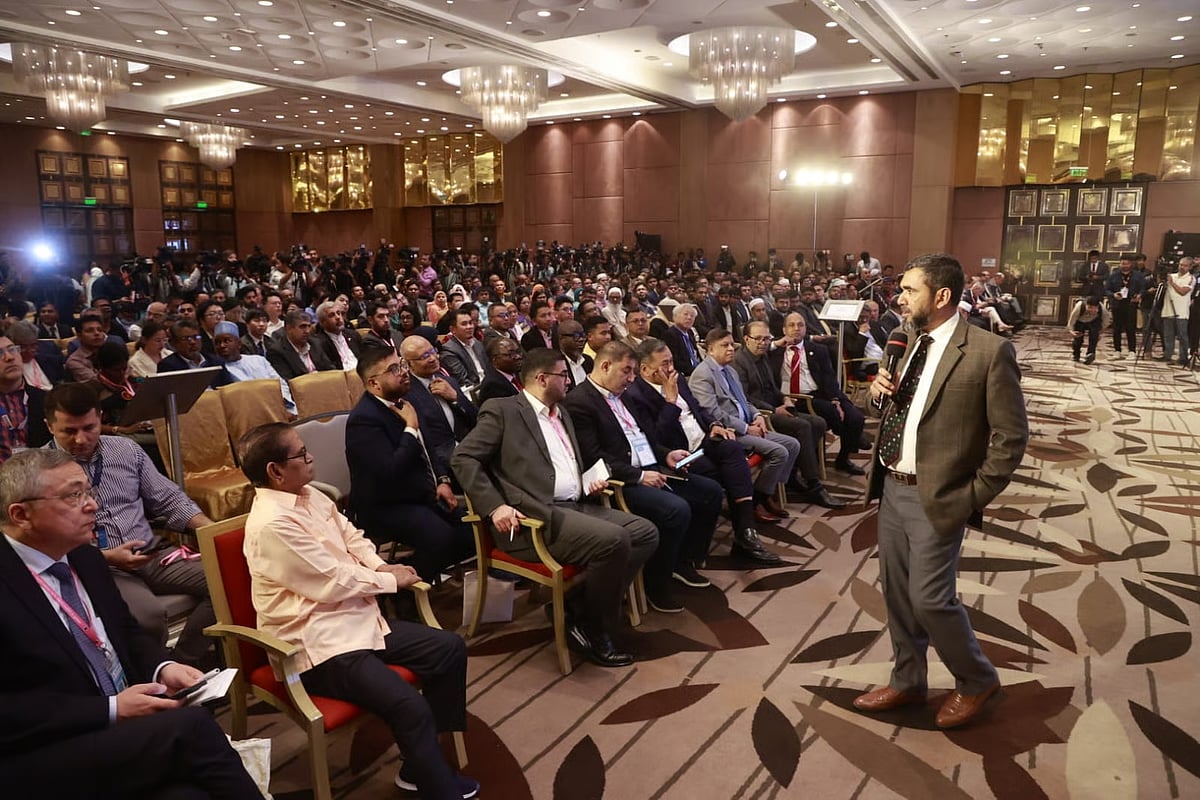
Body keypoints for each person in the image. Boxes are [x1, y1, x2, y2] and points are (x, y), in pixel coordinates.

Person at [0, 449, 261, 799]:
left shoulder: (85, 557)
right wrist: (110, 709)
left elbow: (126, 634)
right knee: (193, 729)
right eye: (73, 496)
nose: (92, 505)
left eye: (88, 492)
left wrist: (162, 668)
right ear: (21, 514)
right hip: (47, 748)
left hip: (115, 735)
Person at [238, 424, 478, 799]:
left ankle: (418, 765)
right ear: (275, 471)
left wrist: (382, 567)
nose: (311, 457)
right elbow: (332, 579)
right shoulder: (272, 524)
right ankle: (437, 788)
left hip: (355, 617)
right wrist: (390, 581)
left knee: (449, 649)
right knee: (407, 706)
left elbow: (352, 536)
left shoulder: (309, 496)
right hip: (315, 644)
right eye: (301, 454)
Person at [854, 253, 1028, 730]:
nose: (899, 297)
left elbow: (1011, 439)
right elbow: (884, 408)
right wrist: (875, 392)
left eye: (910, 290)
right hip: (891, 486)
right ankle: (908, 680)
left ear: (942, 296)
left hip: (941, 495)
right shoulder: (905, 339)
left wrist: (971, 495)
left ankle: (976, 679)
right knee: (897, 594)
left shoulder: (989, 353)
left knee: (931, 598)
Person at [452, 347, 658, 667]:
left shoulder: (561, 412)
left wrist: (588, 480)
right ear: (542, 378)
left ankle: (575, 609)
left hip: (576, 505)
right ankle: (593, 628)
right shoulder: (503, 409)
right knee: (614, 540)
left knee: (645, 532)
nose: (570, 382)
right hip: (535, 518)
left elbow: (564, 465)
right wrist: (494, 507)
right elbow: (463, 458)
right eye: (564, 376)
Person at [42, 383, 217, 667]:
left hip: (149, 552)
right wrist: (105, 557)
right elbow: (44, 541)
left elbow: (168, 499)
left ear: (100, 417)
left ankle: (183, 665)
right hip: (98, 565)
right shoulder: (41, 472)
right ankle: (155, 674)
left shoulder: (125, 450)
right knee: (146, 616)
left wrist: (210, 531)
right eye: (69, 431)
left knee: (230, 580)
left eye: (89, 427)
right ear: (49, 426)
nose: (81, 439)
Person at [563, 341, 723, 614]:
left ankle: (681, 561)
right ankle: (655, 584)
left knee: (710, 491)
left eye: (634, 371)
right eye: (627, 371)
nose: (632, 378)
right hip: (620, 481)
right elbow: (594, 458)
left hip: (651, 467)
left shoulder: (624, 395)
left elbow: (645, 437)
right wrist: (639, 475)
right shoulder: (580, 402)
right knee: (676, 509)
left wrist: (666, 454)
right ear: (605, 366)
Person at [626, 338, 782, 566]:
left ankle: (746, 530)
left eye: (671, 361)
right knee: (722, 474)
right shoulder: (635, 396)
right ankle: (737, 537)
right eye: (664, 364)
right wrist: (670, 401)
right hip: (679, 452)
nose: (671, 368)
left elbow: (697, 410)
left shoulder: (677, 379)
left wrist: (713, 425)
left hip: (703, 439)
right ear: (645, 369)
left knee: (732, 448)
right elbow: (656, 437)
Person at [346, 348, 474, 581]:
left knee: (473, 533)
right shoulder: (364, 420)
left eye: (402, 365)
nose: (404, 373)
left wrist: (442, 480)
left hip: (421, 493)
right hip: (385, 505)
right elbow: (390, 472)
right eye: (394, 370)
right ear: (374, 383)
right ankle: (398, 586)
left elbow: (430, 449)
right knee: (441, 538)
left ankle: (413, 571)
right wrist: (410, 429)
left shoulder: (404, 402)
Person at [688, 328, 799, 523]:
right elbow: (713, 413)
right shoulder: (702, 375)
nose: (731, 349)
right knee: (779, 451)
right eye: (725, 345)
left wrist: (757, 415)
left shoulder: (729, 370)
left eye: (732, 344)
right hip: (730, 433)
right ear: (710, 350)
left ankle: (767, 494)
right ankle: (756, 501)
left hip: (749, 425)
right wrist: (746, 428)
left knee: (793, 444)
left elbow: (743, 401)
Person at [772, 312, 867, 476]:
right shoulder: (775, 352)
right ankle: (851, 436)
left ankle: (843, 459)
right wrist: (775, 344)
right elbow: (756, 348)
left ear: (805, 328)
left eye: (800, 325)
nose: (796, 329)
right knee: (829, 411)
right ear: (784, 329)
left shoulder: (818, 350)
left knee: (855, 417)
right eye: (791, 325)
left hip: (822, 392)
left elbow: (828, 377)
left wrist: (836, 399)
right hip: (797, 398)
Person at [399, 336, 478, 479]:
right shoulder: (406, 394)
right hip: (442, 463)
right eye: (424, 356)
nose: (432, 358)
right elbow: (420, 442)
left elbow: (475, 418)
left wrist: (456, 397)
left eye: (432, 351)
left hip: (470, 448)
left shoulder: (449, 381)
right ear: (408, 364)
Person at [212, 322, 296, 414]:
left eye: (227, 341)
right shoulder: (219, 372)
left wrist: (284, 406)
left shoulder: (258, 360)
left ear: (239, 344)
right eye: (217, 343)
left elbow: (280, 384)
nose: (222, 346)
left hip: (280, 407)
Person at [0, 334, 50, 462]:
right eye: (0, 353)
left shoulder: (46, 399)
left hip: (41, 474)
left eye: (12, 349)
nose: (9, 357)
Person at [157, 319, 233, 389]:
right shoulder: (167, 366)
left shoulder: (216, 362)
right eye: (186, 339)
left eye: (196, 337)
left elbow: (229, 388)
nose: (193, 342)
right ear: (174, 343)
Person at [267, 309, 335, 380]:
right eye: (302, 327)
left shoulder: (315, 343)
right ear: (289, 329)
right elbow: (288, 381)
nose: (307, 331)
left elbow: (330, 369)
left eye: (309, 326)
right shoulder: (277, 351)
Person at [1105, 256, 1145, 360]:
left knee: (1130, 328)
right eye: (1122, 263)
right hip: (1117, 304)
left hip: (1131, 304)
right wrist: (1113, 295)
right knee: (1116, 329)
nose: (1124, 266)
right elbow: (1107, 289)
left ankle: (1132, 351)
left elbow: (1143, 288)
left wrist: (1140, 295)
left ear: (1131, 264)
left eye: (1126, 263)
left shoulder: (1138, 275)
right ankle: (1117, 350)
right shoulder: (1114, 275)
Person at [439, 308, 488, 392]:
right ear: (453, 329)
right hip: (474, 391)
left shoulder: (477, 343)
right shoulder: (448, 351)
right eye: (464, 324)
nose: (469, 327)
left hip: (488, 384)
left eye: (470, 323)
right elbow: (464, 381)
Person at [310, 299, 362, 372]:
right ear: (322, 323)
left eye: (338, 313)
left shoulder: (353, 335)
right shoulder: (318, 343)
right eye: (331, 315)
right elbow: (328, 369)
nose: (338, 317)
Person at [1161, 257, 1195, 367]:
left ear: (1190, 267)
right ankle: (1168, 355)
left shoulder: (1191, 278)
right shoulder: (1172, 276)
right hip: (1168, 309)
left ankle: (1183, 357)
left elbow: (1182, 292)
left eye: (1185, 265)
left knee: (1182, 335)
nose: (1182, 267)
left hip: (1181, 311)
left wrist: (1172, 283)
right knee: (1168, 335)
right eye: (1181, 264)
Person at [476, 336, 525, 407]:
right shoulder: (493, 386)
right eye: (511, 354)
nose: (518, 357)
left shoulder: (514, 372)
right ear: (495, 360)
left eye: (518, 352)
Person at [1066, 295, 1107, 365]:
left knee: (1094, 337)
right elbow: (1071, 322)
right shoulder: (1079, 307)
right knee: (1078, 338)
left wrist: (1099, 333)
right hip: (1080, 321)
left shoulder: (1102, 309)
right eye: (1089, 307)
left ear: (1097, 307)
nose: (1091, 310)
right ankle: (1076, 354)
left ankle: (1090, 355)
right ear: (1086, 305)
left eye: (1094, 308)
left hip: (1094, 321)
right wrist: (1072, 332)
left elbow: (1105, 323)